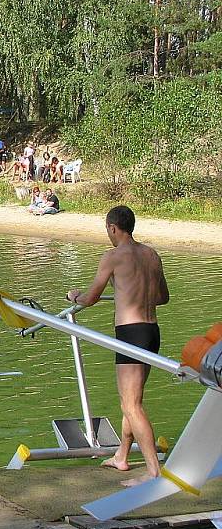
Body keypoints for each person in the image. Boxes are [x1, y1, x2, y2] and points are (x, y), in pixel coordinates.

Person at [67, 206, 169, 486]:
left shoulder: (112, 257)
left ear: (113, 228)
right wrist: (134, 292)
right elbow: (163, 297)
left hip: (130, 333)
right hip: (151, 331)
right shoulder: (151, 254)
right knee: (132, 401)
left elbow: (91, 298)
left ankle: (154, 474)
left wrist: (75, 296)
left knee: (131, 403)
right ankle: (122, 456)